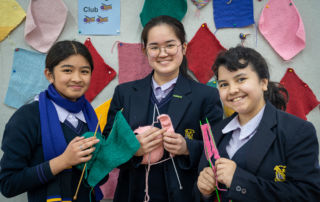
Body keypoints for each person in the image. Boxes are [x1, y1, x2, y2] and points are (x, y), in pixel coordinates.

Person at [102, 15, 223, 202]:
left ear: (183, 47)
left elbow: (219, 149)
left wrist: (186, 147)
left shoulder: (206, 96)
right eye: (154, 47)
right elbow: (108, 146)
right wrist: (133, 148)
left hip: (184, 195)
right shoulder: (125, 93)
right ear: (145, 51)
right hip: (131, 194)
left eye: (170, 45)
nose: (162, 53)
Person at [196, 46, 320, 201]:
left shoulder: (298, 131)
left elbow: (307, 195)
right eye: (224, 84)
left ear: (263, 83)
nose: (232, 90)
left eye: (241, 79)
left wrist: (238, 180)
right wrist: (204, 191)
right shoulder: (216, 131)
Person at [0, 40, 103, 202]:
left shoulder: (90, 116)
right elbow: (8, 184)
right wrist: (63, 161)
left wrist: (115, 154)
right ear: (49, 75)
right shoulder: (27, 118)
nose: (77, 78)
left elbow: (96, 179)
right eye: (67, 70)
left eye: (84, 71)